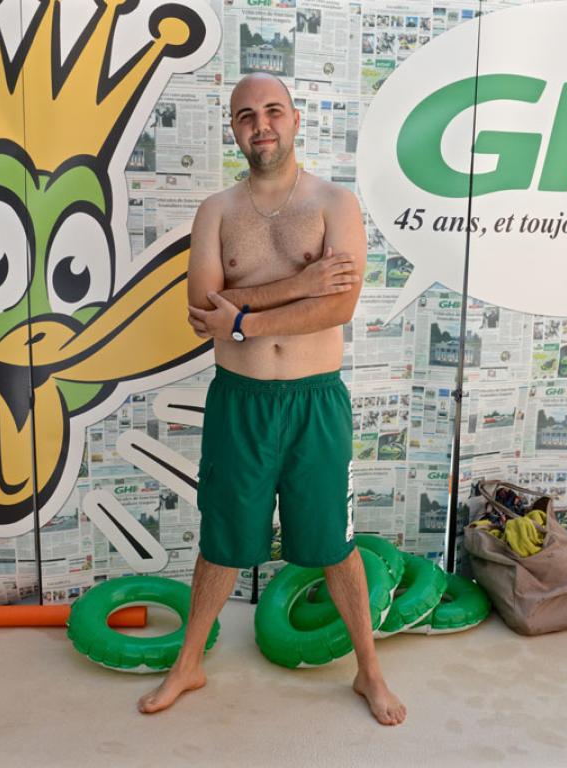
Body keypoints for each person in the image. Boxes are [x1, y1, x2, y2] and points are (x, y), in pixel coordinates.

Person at [137, 72, 406, 726]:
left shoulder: (335, 203)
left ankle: (369, 671)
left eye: (273, 111)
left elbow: (338, 306)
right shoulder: (217, 211)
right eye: (246, 115)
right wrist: (300, 282)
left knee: (334, 542)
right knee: (222, 538)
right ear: (235, 129)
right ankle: (189, 663)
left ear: (294, 119)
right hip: (241, 401)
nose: (261, 125)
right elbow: (203, 310)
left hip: (315, 403)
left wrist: (244, 318)